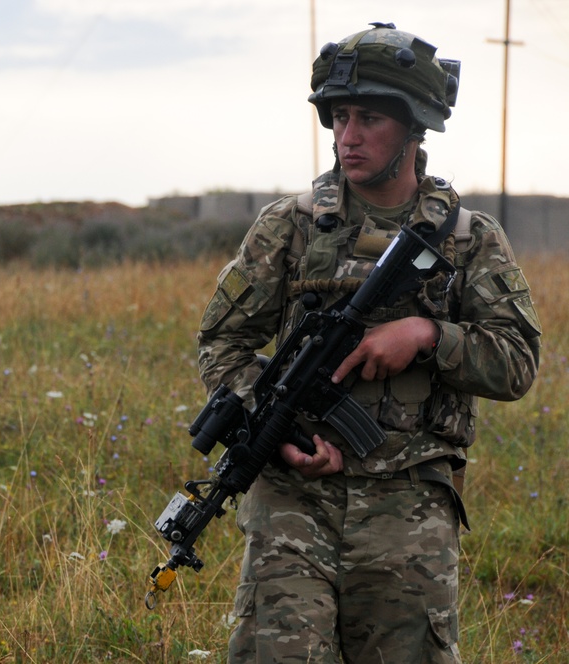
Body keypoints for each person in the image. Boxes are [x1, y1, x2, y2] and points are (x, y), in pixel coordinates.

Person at [196, 23, 541, 663]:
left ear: (415, 128)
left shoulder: (469, 239)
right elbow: (222, 345)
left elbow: (518, 364)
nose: (347, 137)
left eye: (369, 119)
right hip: (292, 503)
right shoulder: (289, 227)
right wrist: (286, 437)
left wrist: (429, 335)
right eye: (340, 117)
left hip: (407, 505)